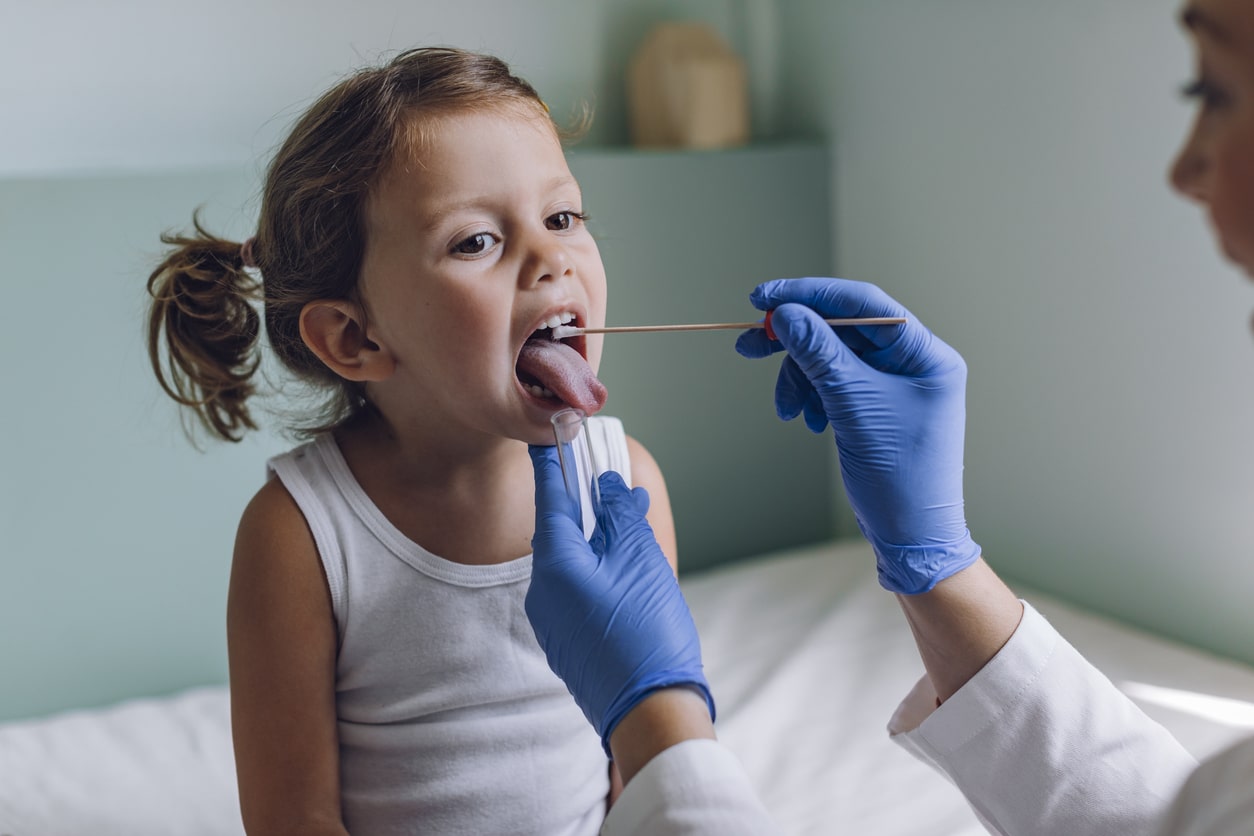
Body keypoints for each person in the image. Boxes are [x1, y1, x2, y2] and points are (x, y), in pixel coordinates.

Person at [523, 0, 1254, 834]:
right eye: (474, 241)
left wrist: (655, 718)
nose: (1184, 169)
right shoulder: (336, 526)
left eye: (1217, 90)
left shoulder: (632, 480)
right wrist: (938, 565)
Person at [145, 47, 686, 835]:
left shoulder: (625, 485)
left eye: (562, 217)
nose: (552, 260)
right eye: (475, 241)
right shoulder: (301, 534)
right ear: (354, 338)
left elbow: (650, 773)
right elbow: (293, 820)